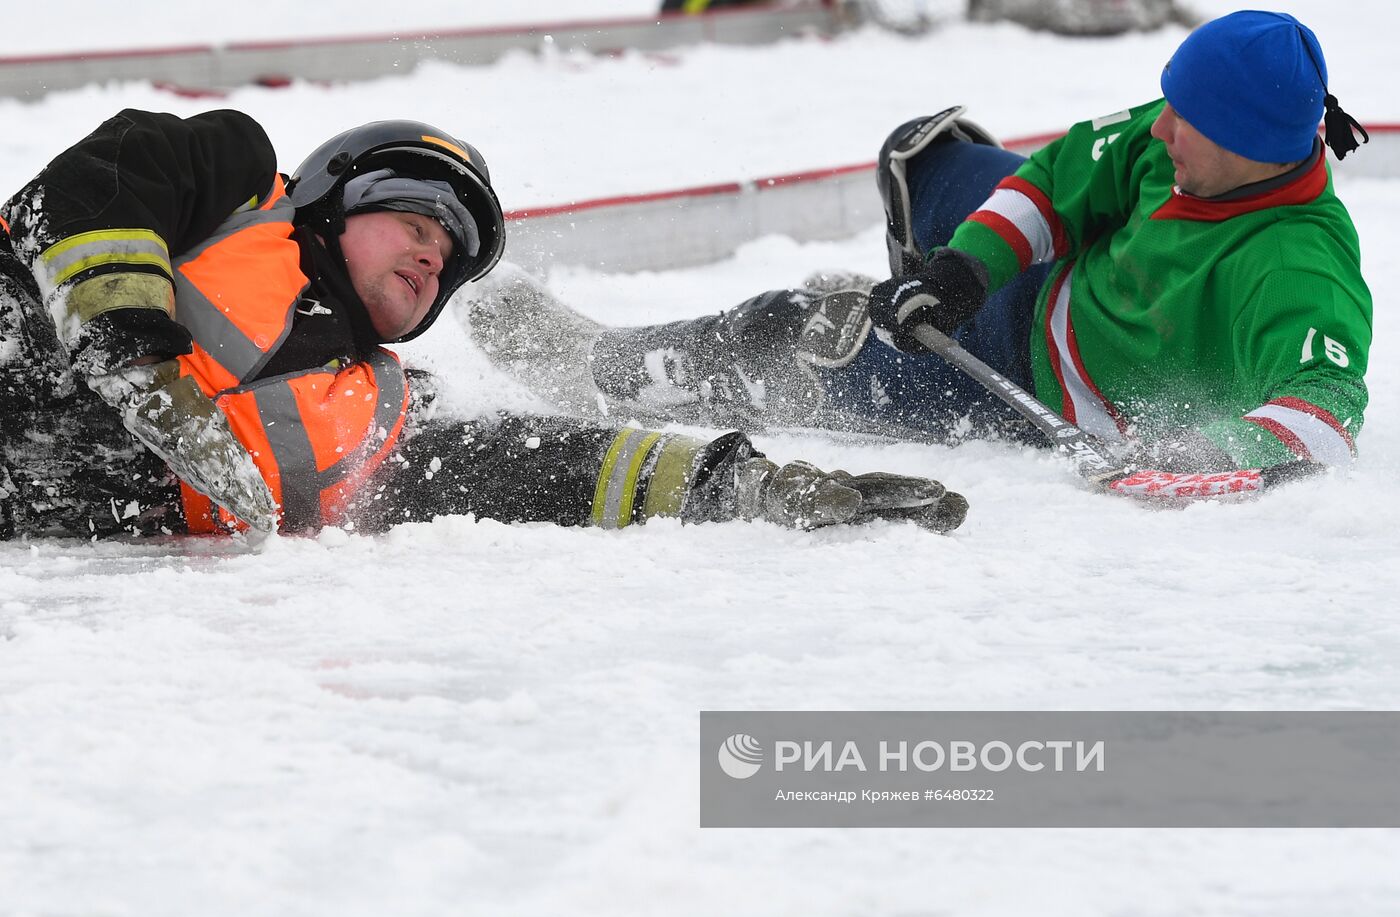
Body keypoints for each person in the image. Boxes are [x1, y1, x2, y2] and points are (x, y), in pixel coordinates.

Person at [465, 10, 1372, 502]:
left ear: (1254, 145)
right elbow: (1056, 184)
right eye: (1168, 103)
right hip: (1052, 289)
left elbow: (1326, 414)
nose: (1162, 124)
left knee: (792, 336)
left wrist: (1206, 447)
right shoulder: (1177, 128)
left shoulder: (1298, 268)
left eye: (1189, 121)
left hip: (1033, 381)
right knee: (925, 152)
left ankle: (602, 365)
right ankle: (904, 305)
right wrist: (964, 271)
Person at [0, 109, 968, 541]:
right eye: (415, 222)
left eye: (450, 254)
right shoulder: (233, 184)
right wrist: (131, 355)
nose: (433, 253)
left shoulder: (378, 415)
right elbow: (93, 183)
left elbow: (540, 464)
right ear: (335, 206)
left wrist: (747, 485)